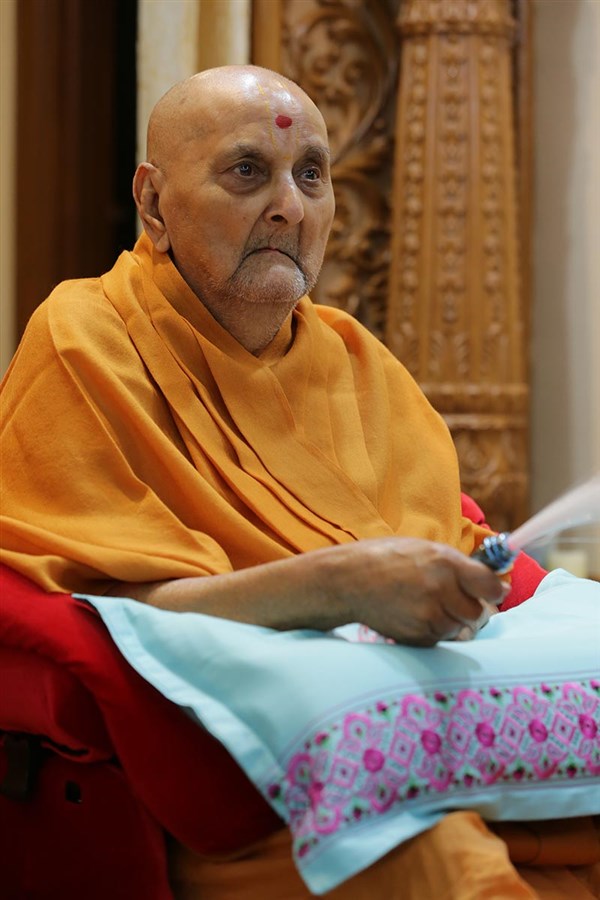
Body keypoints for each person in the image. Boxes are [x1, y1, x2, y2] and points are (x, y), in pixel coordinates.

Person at [1, 66, 596, 899]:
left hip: (441, 758)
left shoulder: (356, 360)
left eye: (311, 174)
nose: (291, 207)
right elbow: (105, 612)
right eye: (248, 171)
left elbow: (453, 542)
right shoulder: (86, 340)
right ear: (153, 203)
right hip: (245, 798)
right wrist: (337, 587)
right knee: (436, 861)